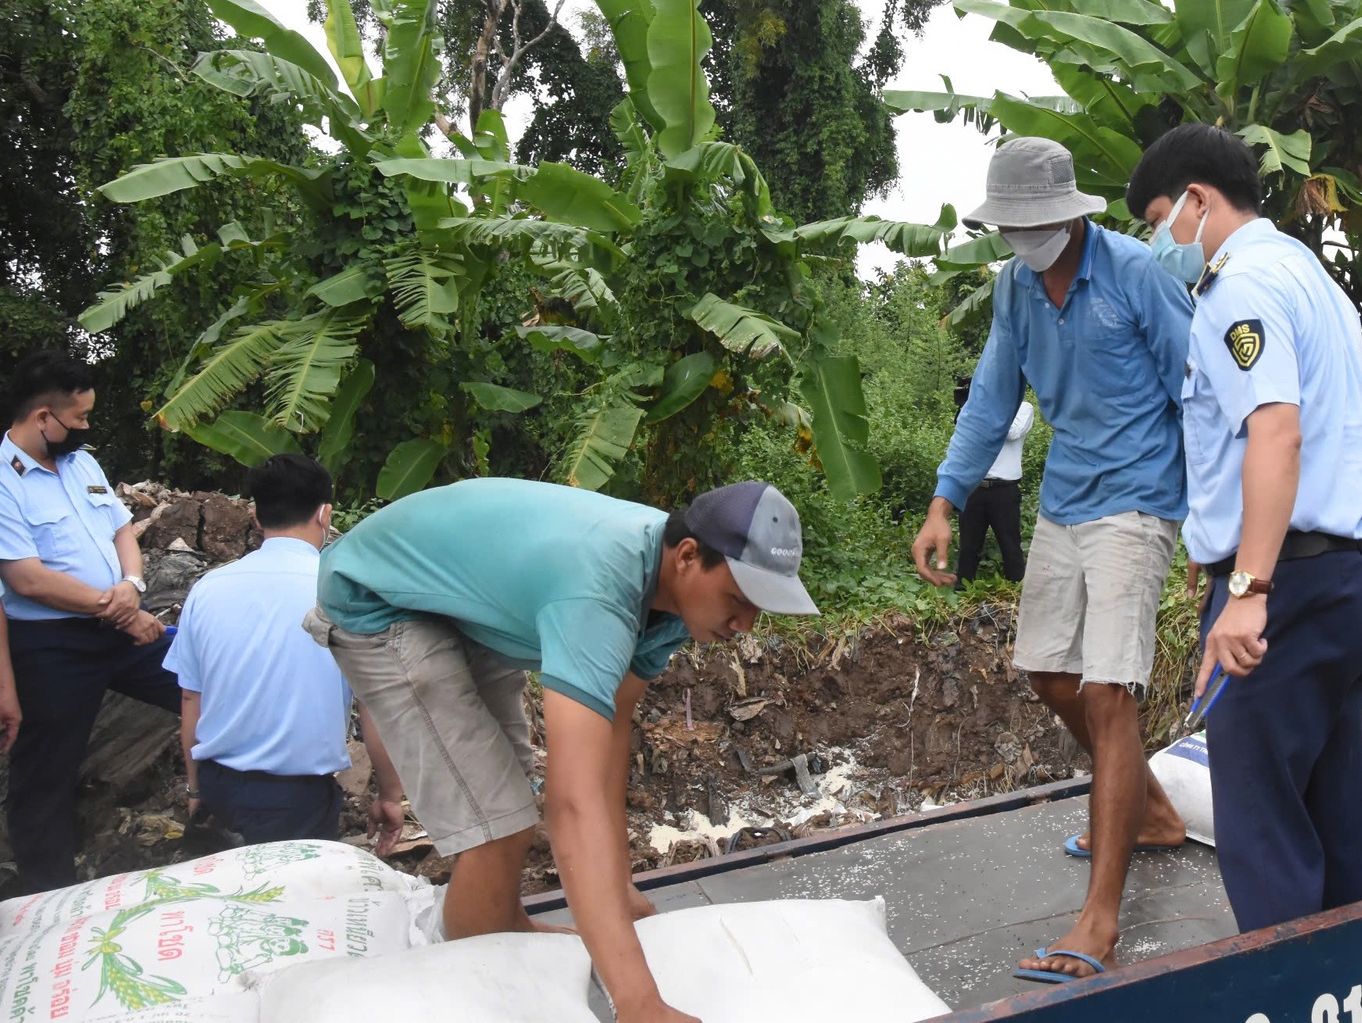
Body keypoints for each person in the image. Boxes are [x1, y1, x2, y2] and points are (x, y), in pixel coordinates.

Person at [310, 476, 817, 1023]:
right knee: (497, 821)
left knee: (508, 800)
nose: (745, 625)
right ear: (690, 556)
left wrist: (617, 884)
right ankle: (478, 987)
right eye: (738, 600)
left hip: (460, 605)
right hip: (376, 599)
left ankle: (508, 933)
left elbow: (609, 740)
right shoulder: (599, 593)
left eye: (760, 610)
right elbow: (572, 806)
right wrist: (639, 1003)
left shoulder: (671, 592)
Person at [911, 137, 1193, 983]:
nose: (1023, 241)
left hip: (1140, 497)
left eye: (1035, 225)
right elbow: (992, 401)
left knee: (1111, 690)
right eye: (1011, 229)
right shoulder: (1014, 290)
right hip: (1067, 496)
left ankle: (1099, 920)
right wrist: (943, 504)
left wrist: (1221, 531)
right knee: (1044, 669)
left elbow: (1198, 385)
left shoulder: (1139, 273)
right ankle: (1149, 810)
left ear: (1070, 215)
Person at [1127, 124, 1362, 933]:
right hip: (1349, 579)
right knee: (1332, 806)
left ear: (1200, 202)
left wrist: (1247, 589)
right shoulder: (1308, 272)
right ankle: (1352, 986)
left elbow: (1275, 432)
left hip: (1287, 589)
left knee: (1262, 825)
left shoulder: (1236, 288)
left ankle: (1285, 994)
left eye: (1160, 218)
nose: (1158, 239)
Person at [0, 350, 176, 894]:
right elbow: (26, 578)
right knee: (46, 774)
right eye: (78, 419)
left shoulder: (82, 464)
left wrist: (133, 586)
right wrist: (120, 611)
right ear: (42, 418)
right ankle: (44, 899)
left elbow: (122, 530)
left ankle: (227, 820)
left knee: (205, 681)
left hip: (120, 624)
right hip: (50, 646)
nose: (86, 427)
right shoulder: (3, 479)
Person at [164, 454, 403, 851]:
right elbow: (373, 704)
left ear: (257, 515)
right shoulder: (343, 593)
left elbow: (191, 697)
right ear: (324, 514)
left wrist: (195, 789)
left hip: (218, 788)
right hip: (297, 798)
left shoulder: (209, 588)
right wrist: (391, 795)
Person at [953, 400, 1034, 588]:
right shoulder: (975, 405)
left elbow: (1012, 432)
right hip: (974, 487)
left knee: (1010, 544)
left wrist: (985, 412)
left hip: (1004, 490)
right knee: (968, 546)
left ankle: (1015, 592)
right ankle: (962, 592)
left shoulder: (1023, 407)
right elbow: (962, 431)